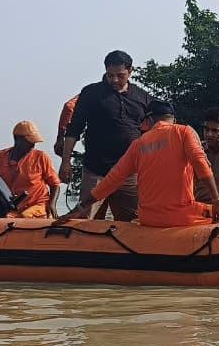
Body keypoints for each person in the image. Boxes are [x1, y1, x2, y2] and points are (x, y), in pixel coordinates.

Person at [61, 101, 219, 227]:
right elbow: (200, 163)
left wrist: (79, 208)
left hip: (148, 219)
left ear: (149, 120)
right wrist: (216, 200)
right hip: (181, 216)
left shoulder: (138, 145)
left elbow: (111, 181)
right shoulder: (183, 132)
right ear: (173, 119)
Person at [58, 51, 152, 221]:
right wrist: (66, 162)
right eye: (110, 75)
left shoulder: (143, 97)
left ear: (130, 71)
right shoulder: (91, 93)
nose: (115, 80)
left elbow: (153, 132)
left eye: (120, 75)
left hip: (129, 172)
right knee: (86, 220)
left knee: (134, 222)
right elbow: (74, 128)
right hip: (96, 170)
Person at [0, 120, 60, 218]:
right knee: (3, 218)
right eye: (30, 141)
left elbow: (55, 184)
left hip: (37, 205)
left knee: (26, 216)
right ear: (17, 139)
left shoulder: (41, 157)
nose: (33, 145)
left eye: (34, 142)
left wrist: (52, 204)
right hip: (12, 207)